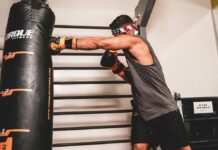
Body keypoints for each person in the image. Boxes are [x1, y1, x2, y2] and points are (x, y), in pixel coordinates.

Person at [50, 14, 191, 150]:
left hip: (162, 109)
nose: (116, 41)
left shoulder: (136, 41)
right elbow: (135, 81)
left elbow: (100, 43)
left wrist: (62, 42)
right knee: (138, 147)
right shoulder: (129, 49)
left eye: (117, 37)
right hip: (142, 110)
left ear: (128, 30)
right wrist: (118, 67)